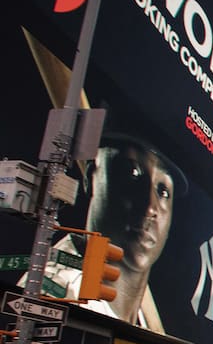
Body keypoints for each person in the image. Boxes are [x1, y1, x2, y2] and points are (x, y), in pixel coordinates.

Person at [34, 135, 184, 333]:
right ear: (91, 177)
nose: (150, 207)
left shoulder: (147, 322)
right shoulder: (56, 296)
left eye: (163, 191)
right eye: (132, 173)